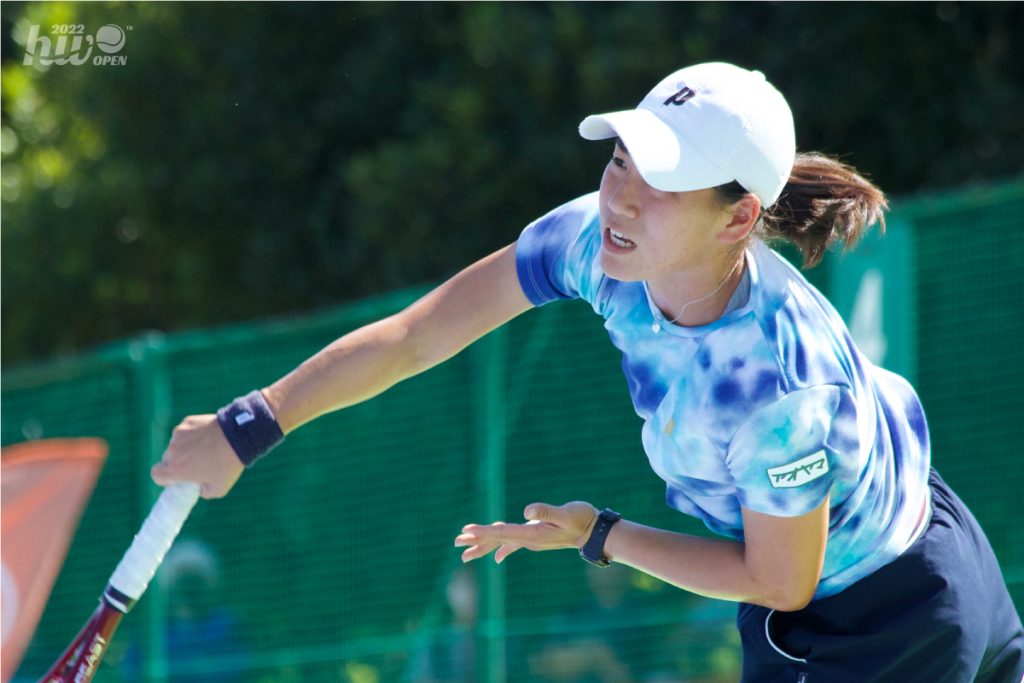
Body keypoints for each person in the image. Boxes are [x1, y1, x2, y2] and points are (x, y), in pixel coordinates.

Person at [152, 62, 1024, 682]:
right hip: (908, 539)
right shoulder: (593, 244)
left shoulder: (774, 386)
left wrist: (598, 533)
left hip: (885, 623)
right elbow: (420, 336)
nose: (621, 195)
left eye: (663, 181)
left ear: (739, 218)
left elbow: (777, 579)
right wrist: (250, 424)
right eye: (620, 159)